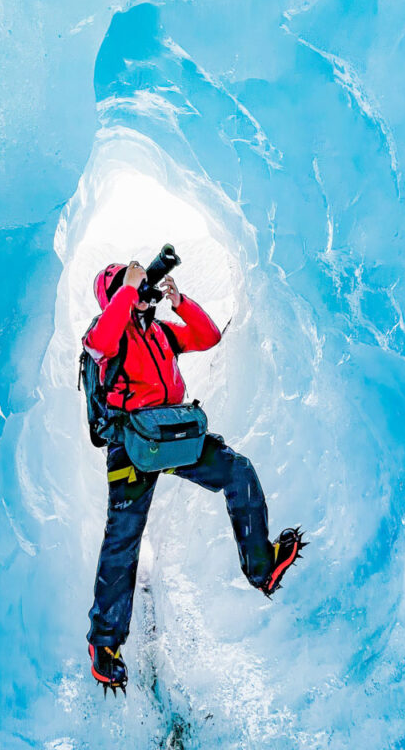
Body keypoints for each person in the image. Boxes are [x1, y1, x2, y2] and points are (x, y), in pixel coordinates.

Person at [83, 260, 305, 695]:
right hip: (133, 444)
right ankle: (104, 645)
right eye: (129, 288)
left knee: (237, 472)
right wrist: (126, 292)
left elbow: (208, 336)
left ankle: (262, 566)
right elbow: (99, 343)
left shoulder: (159, 332)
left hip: (176, 434)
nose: (141, 292)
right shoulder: (108, 334)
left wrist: (179, 301)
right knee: (122, 540)